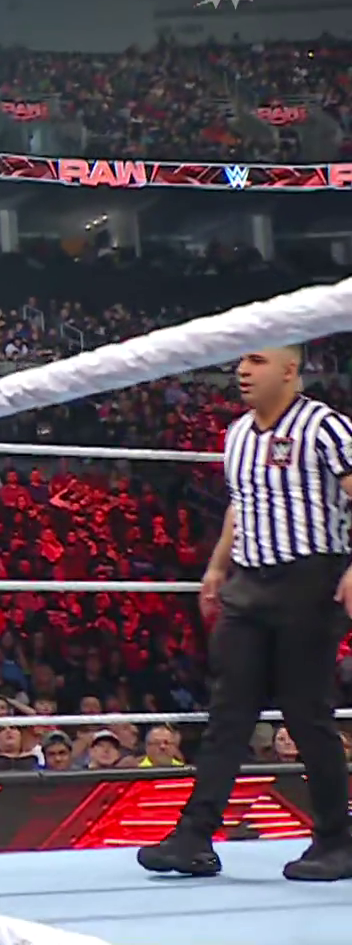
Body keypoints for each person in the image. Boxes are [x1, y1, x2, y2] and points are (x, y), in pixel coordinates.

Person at [139, 344, 352, 881]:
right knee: (227, 712)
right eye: (241, 361)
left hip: (310, 579)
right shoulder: (236, 434)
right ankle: (194, 838)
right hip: (248, 582)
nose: (242, 370)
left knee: (306, 712)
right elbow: (244, 503)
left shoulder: (325, 427)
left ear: (289, 369)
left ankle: (336, 840)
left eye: (256, 360)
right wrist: (217, 566)